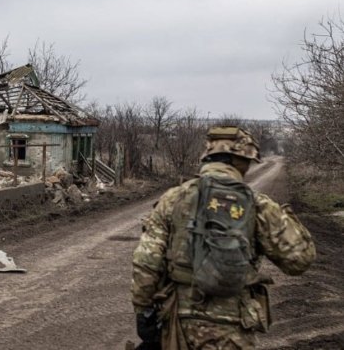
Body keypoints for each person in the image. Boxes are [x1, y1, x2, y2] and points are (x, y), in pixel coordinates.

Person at [131, 126, 316, 349]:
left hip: (181, 321)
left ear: (207, 158)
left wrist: (144, 311)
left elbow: (146, 260)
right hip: (234, 326)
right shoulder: (258, 204)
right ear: (242, 162)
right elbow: (299, 260)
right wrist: (288, 218)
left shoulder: (173, 199)